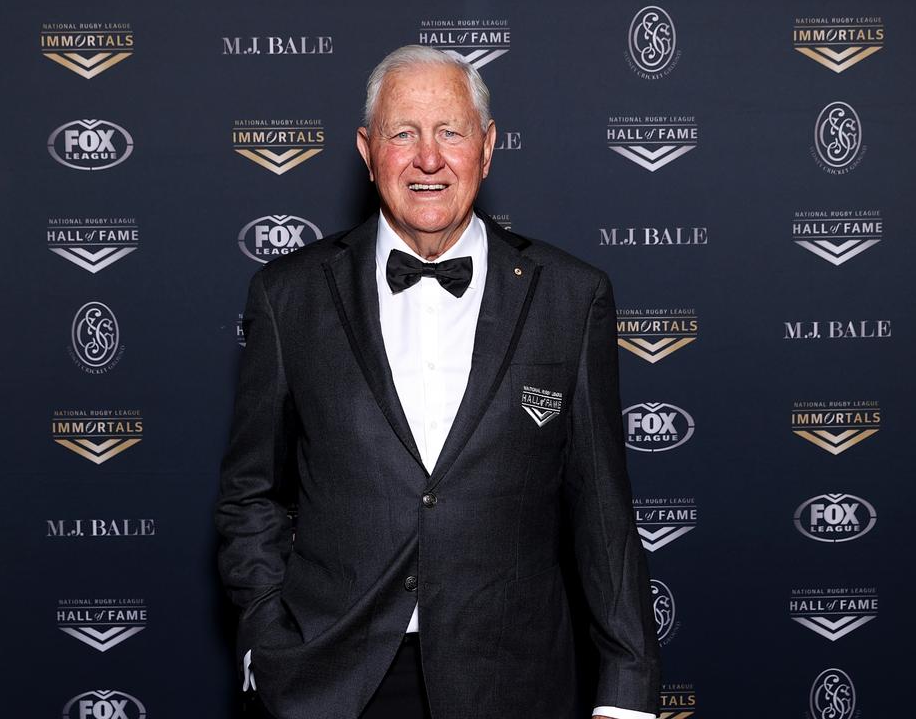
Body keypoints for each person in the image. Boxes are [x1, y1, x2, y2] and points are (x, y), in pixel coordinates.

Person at [215, 45, 660, 719]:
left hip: (511, 682)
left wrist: (627, 691)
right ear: (368, 152)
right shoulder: (289, 297)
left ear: (486, 148)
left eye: (450, 132)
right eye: (403, 134)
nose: (429, 158)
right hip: (329, 681)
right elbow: (251, 495)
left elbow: (603, 514)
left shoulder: (570, 298)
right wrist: (265, 636)